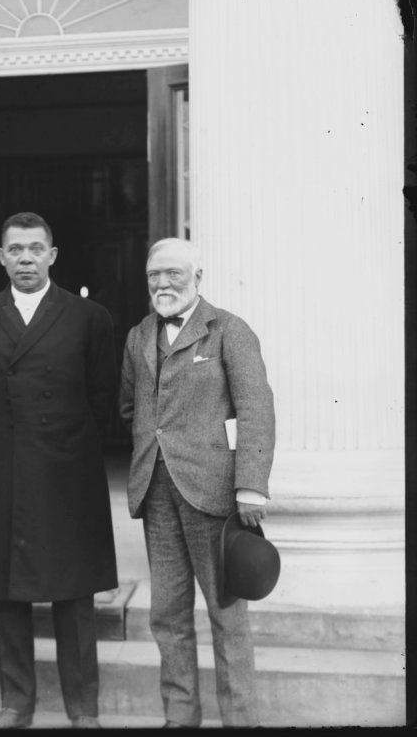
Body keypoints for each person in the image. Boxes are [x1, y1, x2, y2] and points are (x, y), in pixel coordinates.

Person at [0, 211, 118, 730]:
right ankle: (16, 703)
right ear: (1, 257)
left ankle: (82, 709)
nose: (26, 258)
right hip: (1, 469)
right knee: (7, 590)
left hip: (69, 472)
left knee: (75, 593)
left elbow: (102, 397)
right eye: (15, 250)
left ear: (53, 255)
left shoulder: (89, 318)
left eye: (35, 248)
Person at [118, 237, 275, 728]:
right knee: (166, 615)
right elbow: (131, 408)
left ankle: (240, 721)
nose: (163, 284)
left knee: (227, 617)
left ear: (197, 278)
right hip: (156, 492)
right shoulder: (138, 335)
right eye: (154, 276)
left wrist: (249, 484)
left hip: (213, 494)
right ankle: (180, 717)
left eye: (174, 274)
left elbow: (256, 410)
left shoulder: (229, 330)